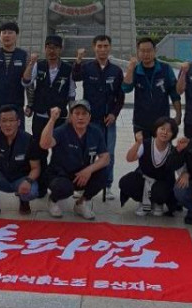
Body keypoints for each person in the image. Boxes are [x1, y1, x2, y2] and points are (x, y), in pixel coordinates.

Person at [39, 100, 110, 221]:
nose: (80, 117)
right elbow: (44, 144)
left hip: (82, 175)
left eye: (84, 114)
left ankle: (81, 203)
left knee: (104, 172)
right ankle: (53, 200)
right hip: (60, 174)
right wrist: (52, 120)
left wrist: (88, 170)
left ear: (89, 117)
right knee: (65, 188)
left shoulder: (95, 132)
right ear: (71, 117)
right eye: (77, 113)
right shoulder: (62, 131)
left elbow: (105, 158)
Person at [72, 35, 124, 198]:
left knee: (108, 152)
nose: (102, 49)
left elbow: (120, 96)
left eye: (105, 46)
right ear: (94, 48)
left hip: (107, 120)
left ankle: (106, 185)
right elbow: (76, 77)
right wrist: (78, 60)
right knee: (84, 152)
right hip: (90, 119)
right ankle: (80, 185)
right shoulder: (87, 67)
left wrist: (114, 114)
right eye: (99, 46)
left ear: (110, 48)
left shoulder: (116, 71)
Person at [22, 34, 75, 194]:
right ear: (45, 48)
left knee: (59, 152)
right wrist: (31, 63)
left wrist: (72, 114)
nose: (52, 51)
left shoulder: (68, 68)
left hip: (60, 118)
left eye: (55, 47)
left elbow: (71, 93)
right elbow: (25, 82)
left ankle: (58, 184)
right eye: (49, 47)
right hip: (41, 116)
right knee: (40, 151)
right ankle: (42, 185)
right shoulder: (39, 65)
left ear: (60, 49)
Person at [0, 106, 41, 218]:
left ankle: (24, 201)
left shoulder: (28, 140)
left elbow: (36, 168)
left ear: (18, 122)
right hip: (2, 179)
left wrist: (28, 181)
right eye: (4, 121)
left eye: (11, 121)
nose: (8, 125)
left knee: (32, 191)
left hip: (20, 180)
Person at [119, 117, 182, 217]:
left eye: (169, 131)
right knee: (126, 182)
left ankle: (158, 203)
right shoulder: (146, 144)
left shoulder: (173, 150)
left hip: (162, 183)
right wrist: (137, 143)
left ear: (173, 134)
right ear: (156, 129)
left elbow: (181, 170)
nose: (165, 133)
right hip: (144, 179)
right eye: (162, 129)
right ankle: (143, 202)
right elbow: (129, 158)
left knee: (163, 191)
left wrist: (185, 174)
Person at [122, 37, 181, 138]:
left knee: (163, 152)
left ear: (155, 51)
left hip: (162, 123)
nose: (146, 54)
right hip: (141, 124)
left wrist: (178, 114)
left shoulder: (165, 69)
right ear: (138, 52)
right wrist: (130, 68)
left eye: (149, 51)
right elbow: (126, 88)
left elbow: (174, 94)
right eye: (142, 51)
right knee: (142, 152)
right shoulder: (135, 70)